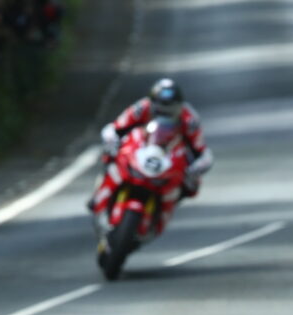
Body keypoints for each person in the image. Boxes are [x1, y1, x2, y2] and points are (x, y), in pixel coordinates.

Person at [89, 77, 212, 213]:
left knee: (191, 185)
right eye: (160, 110)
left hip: (167, 158)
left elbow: (201, 150)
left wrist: (196, 167)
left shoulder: (189, 119)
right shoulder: (141, 108)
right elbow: (116, 127)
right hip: (139, 149)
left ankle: (163, 210)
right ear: (152, 103)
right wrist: (111, 139)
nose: (165, 114)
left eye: (170, 109)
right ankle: (100, 194)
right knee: (110, 156)